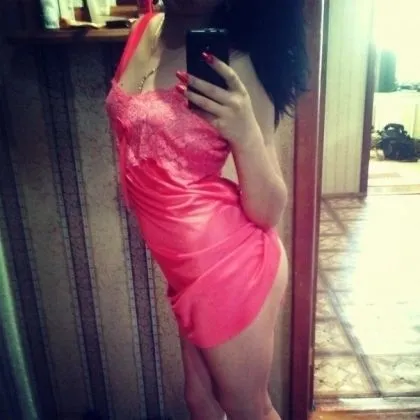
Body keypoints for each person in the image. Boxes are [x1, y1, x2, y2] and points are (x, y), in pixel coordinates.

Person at [105, 0, 307, 418]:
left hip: (228, 266)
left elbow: (269, 209)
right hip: (184, 266)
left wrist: (246, 134)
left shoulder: (236, 61)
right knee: (199, 401)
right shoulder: (144, 29)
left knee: (249, 408)